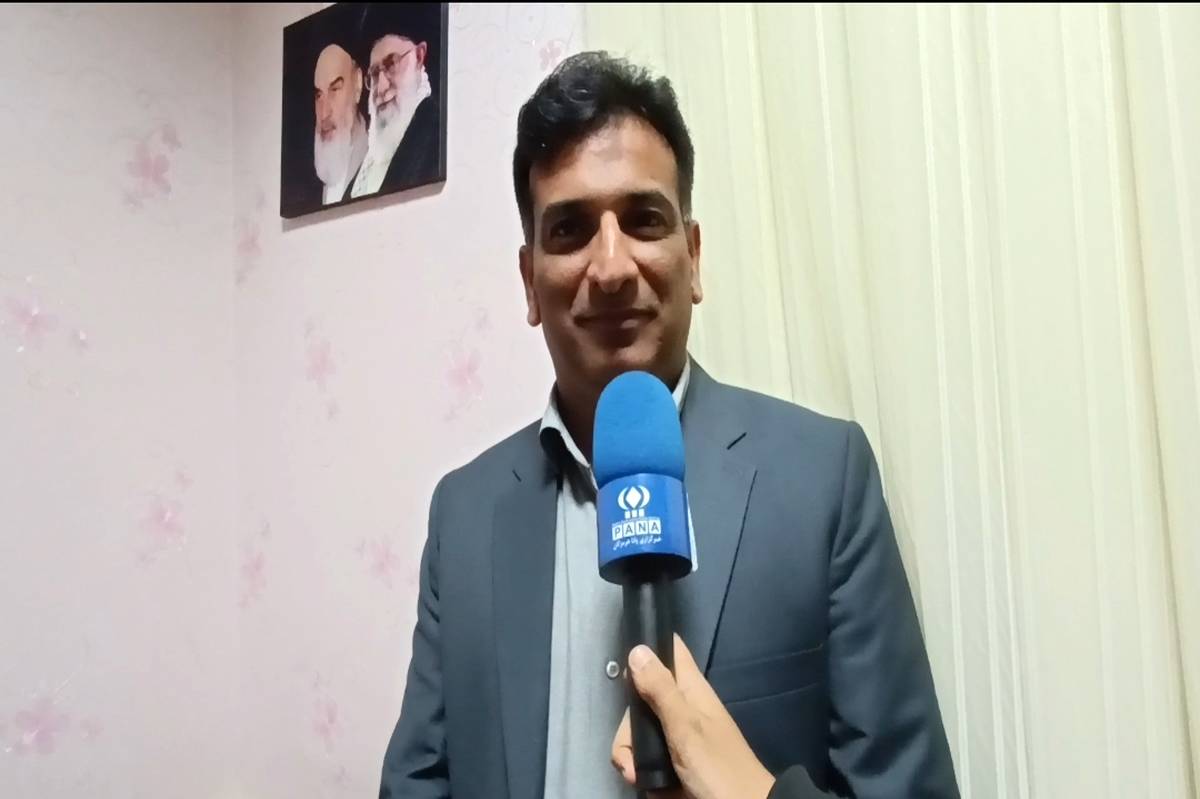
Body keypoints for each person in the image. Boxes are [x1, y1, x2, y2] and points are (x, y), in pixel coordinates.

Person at [379, 52, 960, 799]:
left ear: (693, 256)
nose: (612, 266)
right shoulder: (464, 513)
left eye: (644, 220)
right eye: (571, 230)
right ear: (529, 282)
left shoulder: (823, 480)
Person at [350, 32, 441, 199]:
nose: (381, 87)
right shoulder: (368, 162)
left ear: (419, 57)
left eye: (391, 63)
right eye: (375, 74)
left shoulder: (437, 134)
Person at [312, 43, 367, 206]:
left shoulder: (376, 161)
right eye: (319, 96)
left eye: (335, 89)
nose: (324, 113)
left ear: (358, 84)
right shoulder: (305, 183)